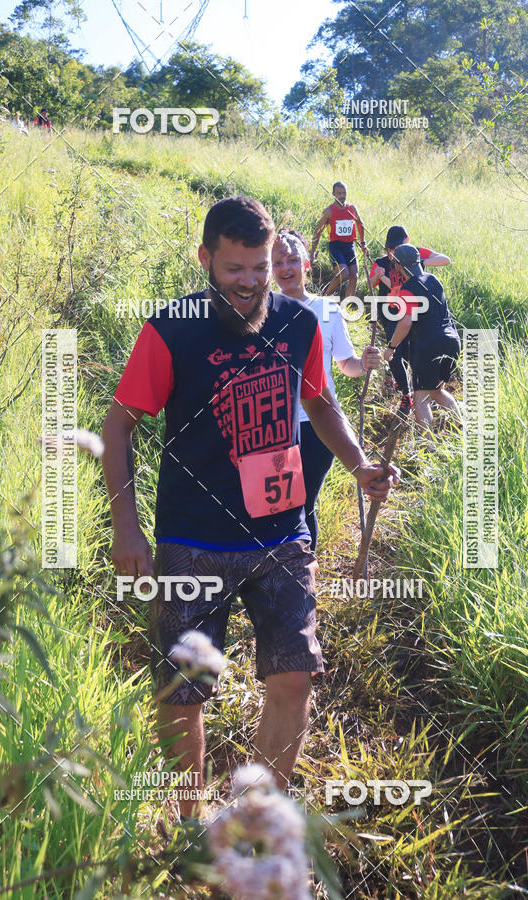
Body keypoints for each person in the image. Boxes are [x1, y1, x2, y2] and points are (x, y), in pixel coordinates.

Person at [101, 196, 398, 818]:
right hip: (193, 538)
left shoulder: (299, 323)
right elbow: (119, 425)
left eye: (260, 267)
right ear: (206, 259)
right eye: (235, 268)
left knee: (294, 675)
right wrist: (127, 530)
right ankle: (189, 823)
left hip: (283, 534)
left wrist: (360, 463)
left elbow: (320, 406)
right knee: (186, 691)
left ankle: (259, 822)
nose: (250, 282)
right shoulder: (171, 328)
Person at [272, 228, 382, 551]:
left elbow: (346, 365)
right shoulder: (261, 313)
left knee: (302, 506)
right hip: (272, 428)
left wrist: (363, 363)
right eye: (278, 262)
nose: (286, 268)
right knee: (274, 510)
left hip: (317, 428)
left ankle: (304, 577)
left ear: (307, 264)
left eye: (293, 260)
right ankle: (274, 580)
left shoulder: (327, 311)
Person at [369, 225, 451, 415]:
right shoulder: (382, 262)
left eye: (398, 248)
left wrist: (420, 260)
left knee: (414, 352)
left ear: (407, 242)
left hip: (416, 312)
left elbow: (445, 260)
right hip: (392, 312)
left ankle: (430, 391)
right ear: (387, 248)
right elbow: (370, 284)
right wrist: (377, 276)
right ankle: (407, 395)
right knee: (395, 354)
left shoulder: (414, 254)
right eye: (391, 249)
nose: (395, 252)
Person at [383, 244, 461, 436]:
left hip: (429, 347)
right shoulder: (433, 279)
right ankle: (463, 426)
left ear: (399, 267)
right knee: (435, 391)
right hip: (452, 341)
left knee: (420, 398)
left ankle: (428, 447)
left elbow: (405, 322)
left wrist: (391, 347)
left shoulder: (408, 289)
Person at [310, 181, 365, 297]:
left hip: (350, 246)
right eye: (339, 193)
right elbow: (318, 232)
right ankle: (324, 296)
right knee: (343, 274)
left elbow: (360, 224)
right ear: (333, 194)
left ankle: (348, 306)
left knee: (354, 276)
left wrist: (363, 243)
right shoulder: (328, 211)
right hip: (336, 246)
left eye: (344, 193)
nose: (342, 196)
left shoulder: (352, 208)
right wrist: (312, 252)